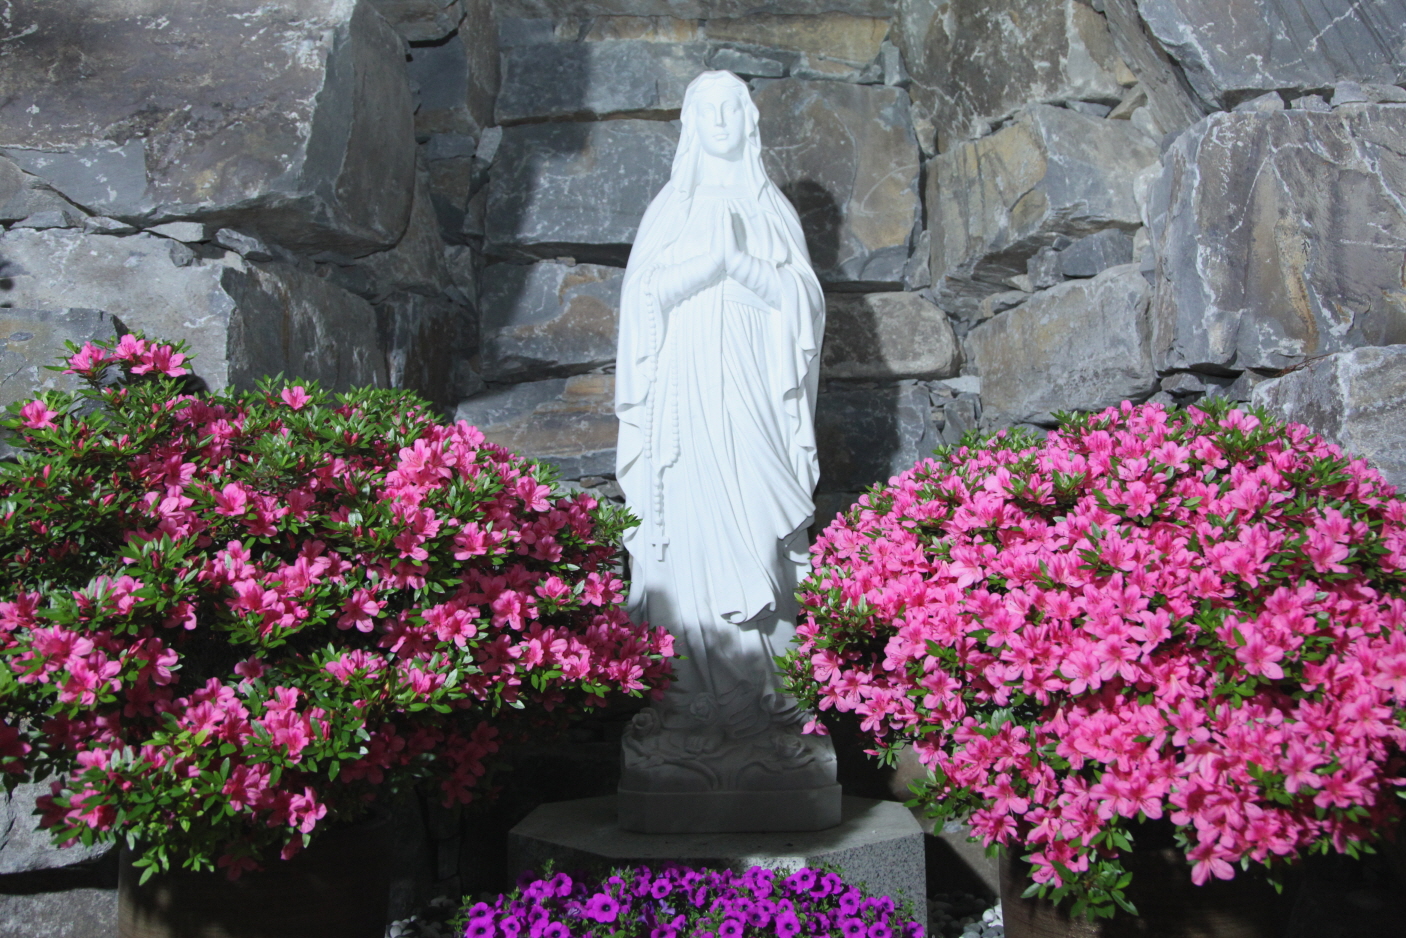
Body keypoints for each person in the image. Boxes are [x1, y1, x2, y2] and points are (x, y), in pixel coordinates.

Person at [614, 70, 839, 833]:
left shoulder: (770, 208)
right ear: (689, 123)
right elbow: (641, 305)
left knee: (758, 532)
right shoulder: (669, 209)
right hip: (683, 401)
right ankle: (691, 702)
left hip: (751, 400)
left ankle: (767, 702)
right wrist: (700, 269)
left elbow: (804, 306)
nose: (718, 118)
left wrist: (742, 268)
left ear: (749, 121)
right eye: (704, 108)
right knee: (688, 536)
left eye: (731, 106)